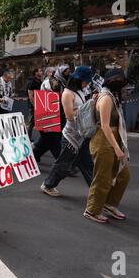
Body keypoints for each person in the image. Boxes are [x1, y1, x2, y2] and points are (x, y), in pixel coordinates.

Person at [84, 69, 130, 223]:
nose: (122, 85)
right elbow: (104, 126)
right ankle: (92, 210)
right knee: (102, 177)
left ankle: (109, 204)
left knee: (123, 175)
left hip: (114, 138)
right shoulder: (106, 98)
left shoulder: (111, 96)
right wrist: (117, 148)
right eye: (119, 81)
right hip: (104, 140)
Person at [40, 66, 94, 197]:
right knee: (63, 166)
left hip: (82, 135)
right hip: (71, 137)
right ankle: (48, 185)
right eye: (86, 81)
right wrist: (88, 106)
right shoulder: (67, 93)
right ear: (78, 79)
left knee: (87, 164)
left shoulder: (80, 91)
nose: (87, 83)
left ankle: (97, 190)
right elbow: (69, 116)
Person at [26, 68, 44, 139]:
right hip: (33, 105)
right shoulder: (32, 82)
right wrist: (35, 105)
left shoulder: (39, 81)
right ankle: (28, 138)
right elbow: (30, 95)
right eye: (40, 71)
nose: (41, 72)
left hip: (39, 104)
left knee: (40, 121)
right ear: (36, 73)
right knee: (31, 122)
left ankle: (42, 137)